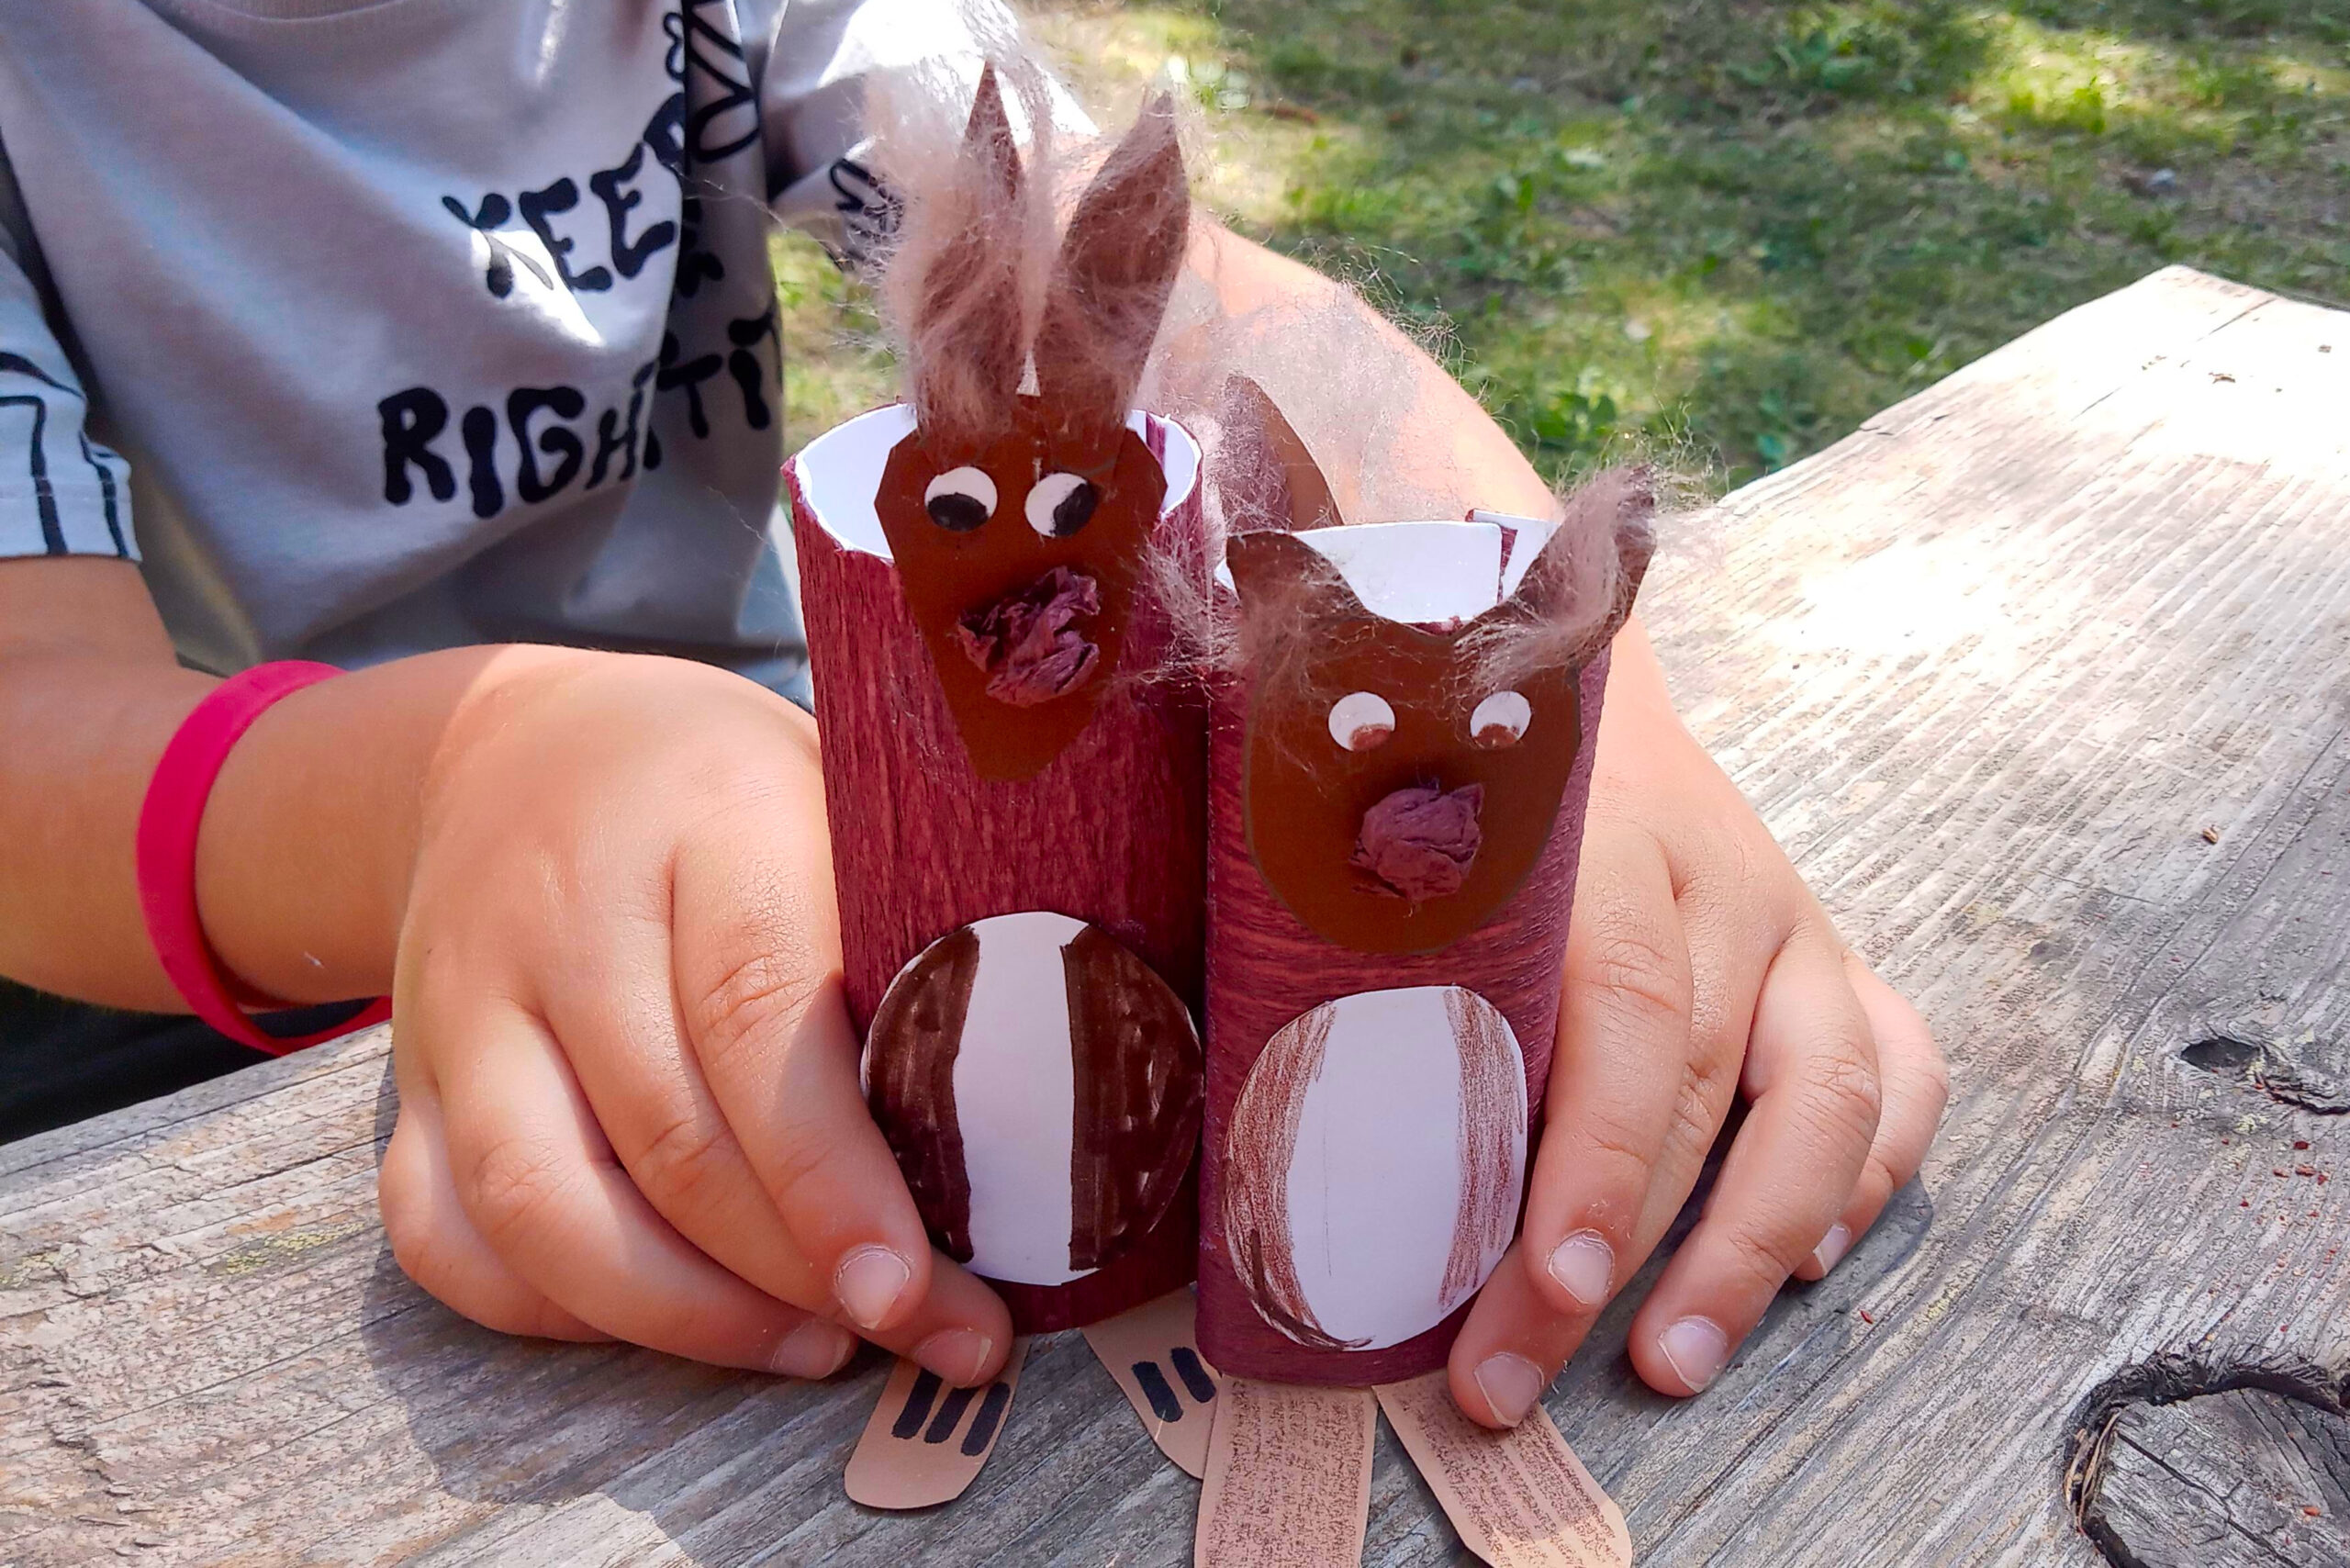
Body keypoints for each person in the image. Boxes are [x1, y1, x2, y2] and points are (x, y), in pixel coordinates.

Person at [0, 0, 1945, 1430]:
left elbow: (1173, 305)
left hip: (813, 810)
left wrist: (1547, 662)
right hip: (196, 982)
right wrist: (451, 782)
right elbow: (33, 732)